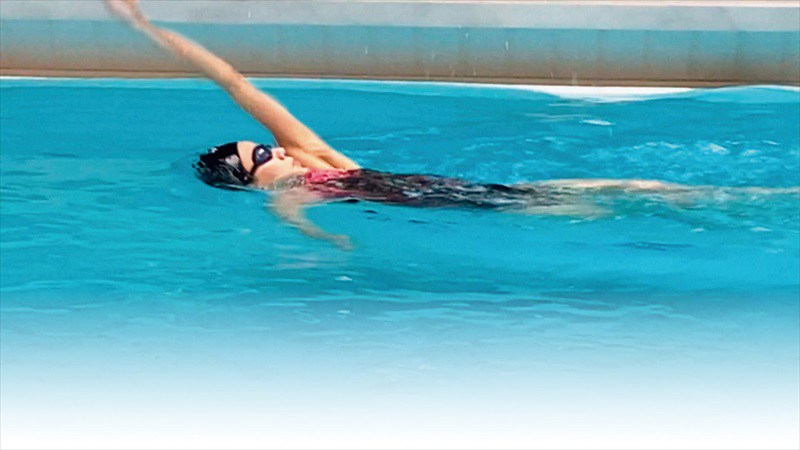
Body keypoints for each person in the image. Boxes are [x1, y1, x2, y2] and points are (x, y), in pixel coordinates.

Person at [103, 0, 790, 249]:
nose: (275, 149)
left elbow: (236, 84)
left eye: (266, 144)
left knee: (637, 191)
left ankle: (757, 204)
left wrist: (149, 29)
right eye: (261, 155)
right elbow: (307, 229)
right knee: (630, 205)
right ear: (250, 182)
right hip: (486, 211)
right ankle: (753, 210)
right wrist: (327, 244)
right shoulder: (296, 193)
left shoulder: (318, 160)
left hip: (480, 192)